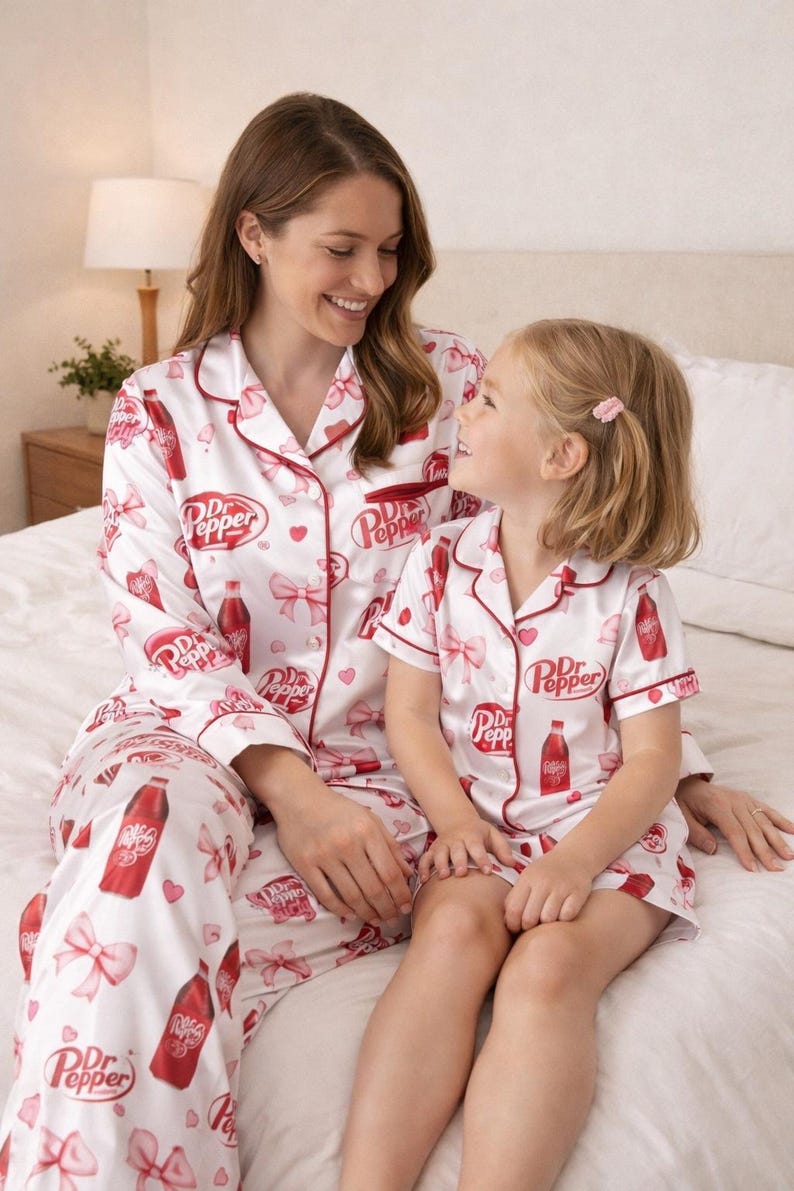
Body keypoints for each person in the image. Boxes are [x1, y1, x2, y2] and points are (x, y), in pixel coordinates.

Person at [1, 95, 790, 1189]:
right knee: (141, 847)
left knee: (129, 956)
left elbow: (550, 590)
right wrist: (292, 791)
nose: (370, 279)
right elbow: (157, 624)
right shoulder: (159, 406)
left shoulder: (451, 384)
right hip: (193, 735)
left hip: (410, 765)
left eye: (389, 250)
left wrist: (675, 771)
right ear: (253, 233)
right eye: (341, 248)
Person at [338, 319, 789, 1191]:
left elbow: (651, 761)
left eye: (488, 400)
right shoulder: (437, 563)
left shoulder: (635, 597)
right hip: (482, 826)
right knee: (451, 935)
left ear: (561, 456)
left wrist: (576, 863)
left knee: (546, 972)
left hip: (605, 843)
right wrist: (454, 820)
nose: (463, 412)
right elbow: (411, 714)